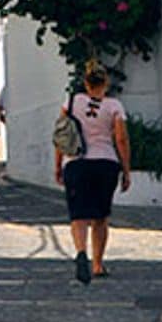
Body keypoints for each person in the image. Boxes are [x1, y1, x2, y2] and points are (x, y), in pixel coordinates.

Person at [54, 63, 130, 284]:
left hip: (76, 164)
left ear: (86, 83)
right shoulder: (114, 106)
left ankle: (80, 252)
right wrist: (126, 170)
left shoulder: (70, 102)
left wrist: (58, 165)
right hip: (105, 163)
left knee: (78, 215)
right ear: (105, 83)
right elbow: (121, 139)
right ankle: (97, 264)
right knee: (100, 217)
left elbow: (61, 136)